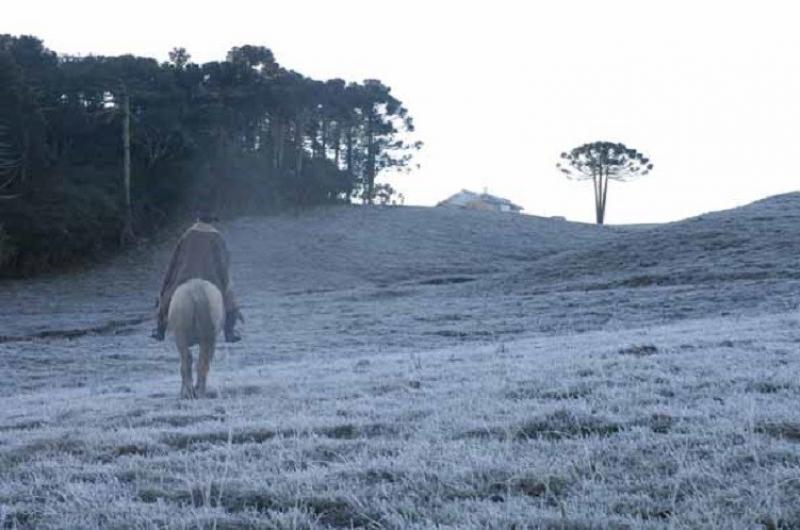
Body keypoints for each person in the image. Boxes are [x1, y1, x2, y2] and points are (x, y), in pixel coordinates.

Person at [151, 209, 242, 342]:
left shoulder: (186, 236)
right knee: (231, 304)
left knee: (165, 299)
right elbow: (223, 264)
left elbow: (174, 261)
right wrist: (226, 283)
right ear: (212, 221)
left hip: (184, 277)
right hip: (211, 279)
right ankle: (229, 333)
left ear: (198, 220)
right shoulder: (217, 237)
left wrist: (166, 284)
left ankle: (160, 330)